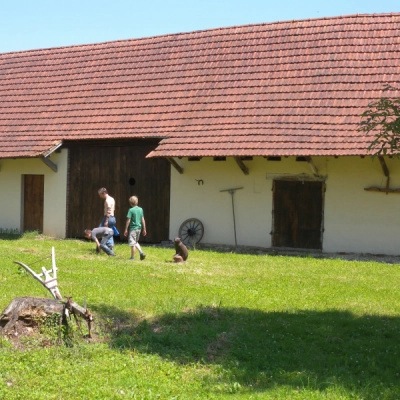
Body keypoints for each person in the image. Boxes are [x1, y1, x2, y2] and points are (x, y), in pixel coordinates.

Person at [124, 196, 147, 260]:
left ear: (130, 203)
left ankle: (132, 257)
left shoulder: (131, 210)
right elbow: (143, 220)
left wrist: (126, 229)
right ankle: (141, 253)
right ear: (137, 202)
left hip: (133, 229)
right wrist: (144, 229)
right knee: (135, 242)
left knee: (132, 244)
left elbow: (128, 220)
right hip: (139, 229)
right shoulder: (140, 209)